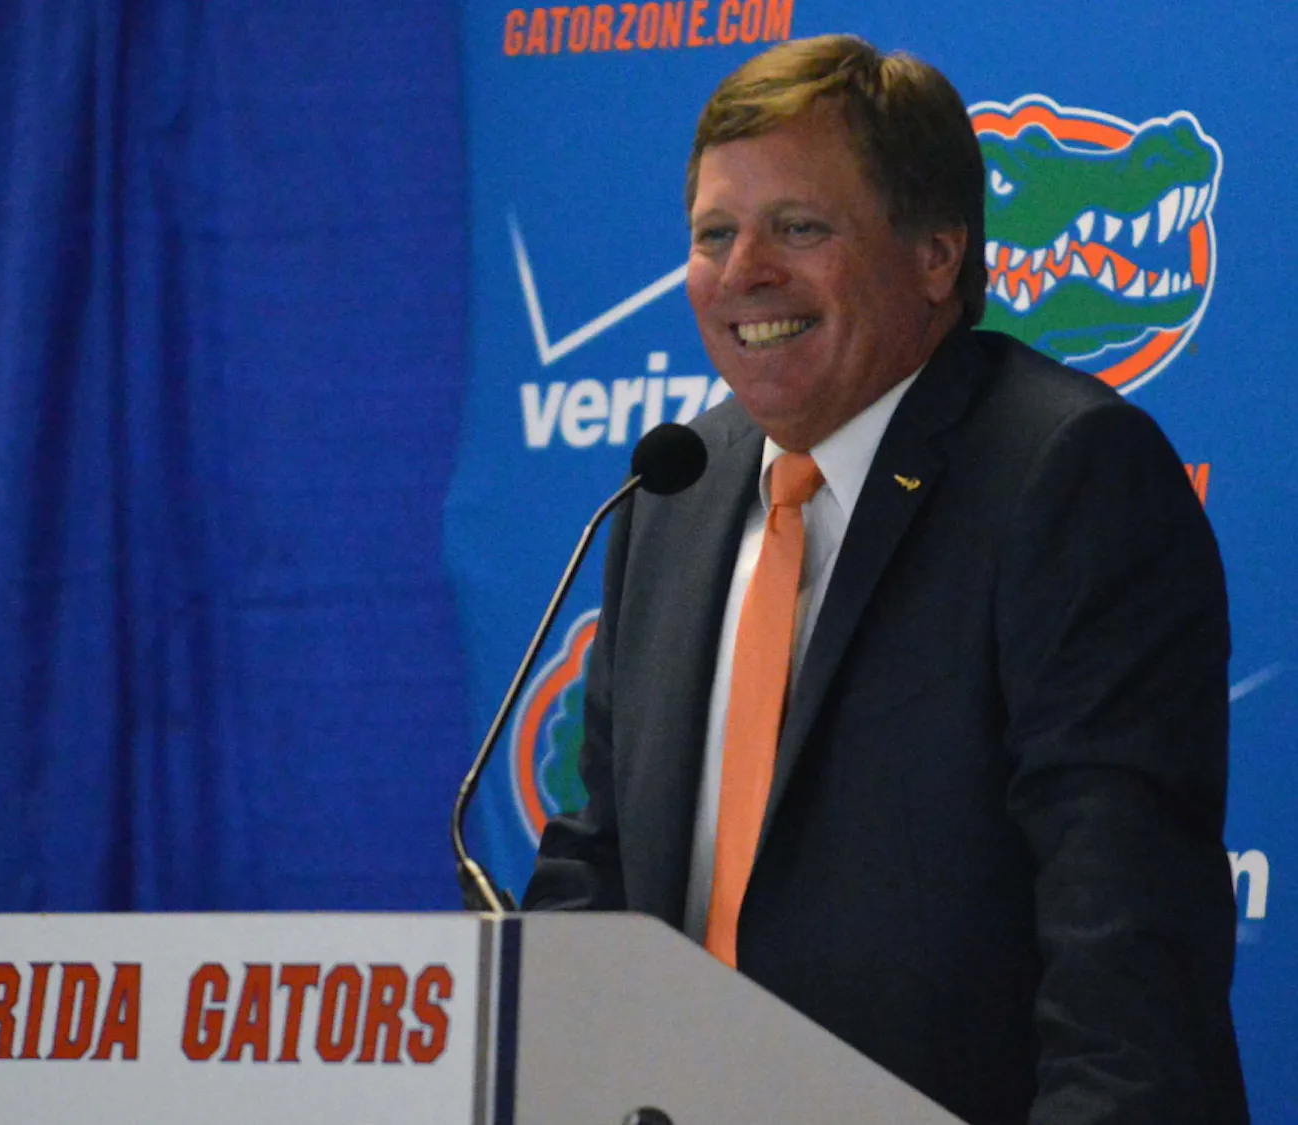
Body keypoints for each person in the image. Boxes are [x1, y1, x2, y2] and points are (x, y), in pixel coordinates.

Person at [522, 34, 1248, 1125]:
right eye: (715, 233)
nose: (744, 271)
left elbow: (1125, 951)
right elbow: (601, 861)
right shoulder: (678, 487)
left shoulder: (1066, 477)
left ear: (936, 255)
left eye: (799, 228)